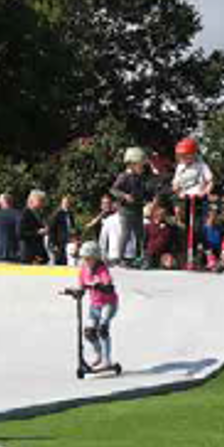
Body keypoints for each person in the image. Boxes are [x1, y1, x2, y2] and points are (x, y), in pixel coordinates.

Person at [65, 241, 119, 370]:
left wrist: (101, 286)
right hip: (95, 305)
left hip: (108, 304)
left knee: (102, 329)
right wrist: (75, 292)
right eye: (84, 258)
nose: (86, 261)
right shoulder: (83, 270)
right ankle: (99, 354)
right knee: (89, 332)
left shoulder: (102, 269)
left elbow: (108, 286)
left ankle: (107, 360)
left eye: (89, 259)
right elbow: (81, 287)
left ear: (96, 257)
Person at [171, 137, 215, 267]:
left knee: (197, 229)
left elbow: (210, 181)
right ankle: (189, 257)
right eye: (181, 155)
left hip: (199, 200)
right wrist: (176, 189)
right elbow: (175, 183)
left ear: (193, 154)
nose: (183, 158)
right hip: (185, 199)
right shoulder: (180, 167)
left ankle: (208, 254)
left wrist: (205, 191)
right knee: (185, 230)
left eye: (185, 155)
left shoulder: (201, 166)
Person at [110, 147, 155, 267]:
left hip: (138, 208)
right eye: (140, 165)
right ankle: (120, 258)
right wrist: (125, 196)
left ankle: (140, 257)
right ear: (132, 164)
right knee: (126, 233)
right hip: (126, 210)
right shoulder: (124, 176)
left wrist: (148, 200)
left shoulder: (140, 177)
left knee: (140, 234)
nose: (142, 168)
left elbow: (144, 192)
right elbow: (113, 189)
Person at [0, 193, 22, 262]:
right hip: (16, 252)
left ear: (0, 203)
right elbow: (19, 233)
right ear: (11, 202)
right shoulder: (19, 214)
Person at [18, 190, 50, 264]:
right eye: (41, 200)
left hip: (38, 253)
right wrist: (38, 232)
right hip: (29, 254)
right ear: (32, 200)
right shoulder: (25, 214)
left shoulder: (38, 213)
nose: (43, 203)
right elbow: (21, 233)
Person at [46, 195, 77, 266]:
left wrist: (74, 236)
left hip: (68, 241)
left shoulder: (70, 214)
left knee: (68, 261)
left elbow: (72, 227)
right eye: (65, 203)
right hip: (59, 242)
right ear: (61, 203)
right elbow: (52, 229)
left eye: (68, 203)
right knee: (60, 261)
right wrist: (53, 243)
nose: (67, 204)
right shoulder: (57, 214)